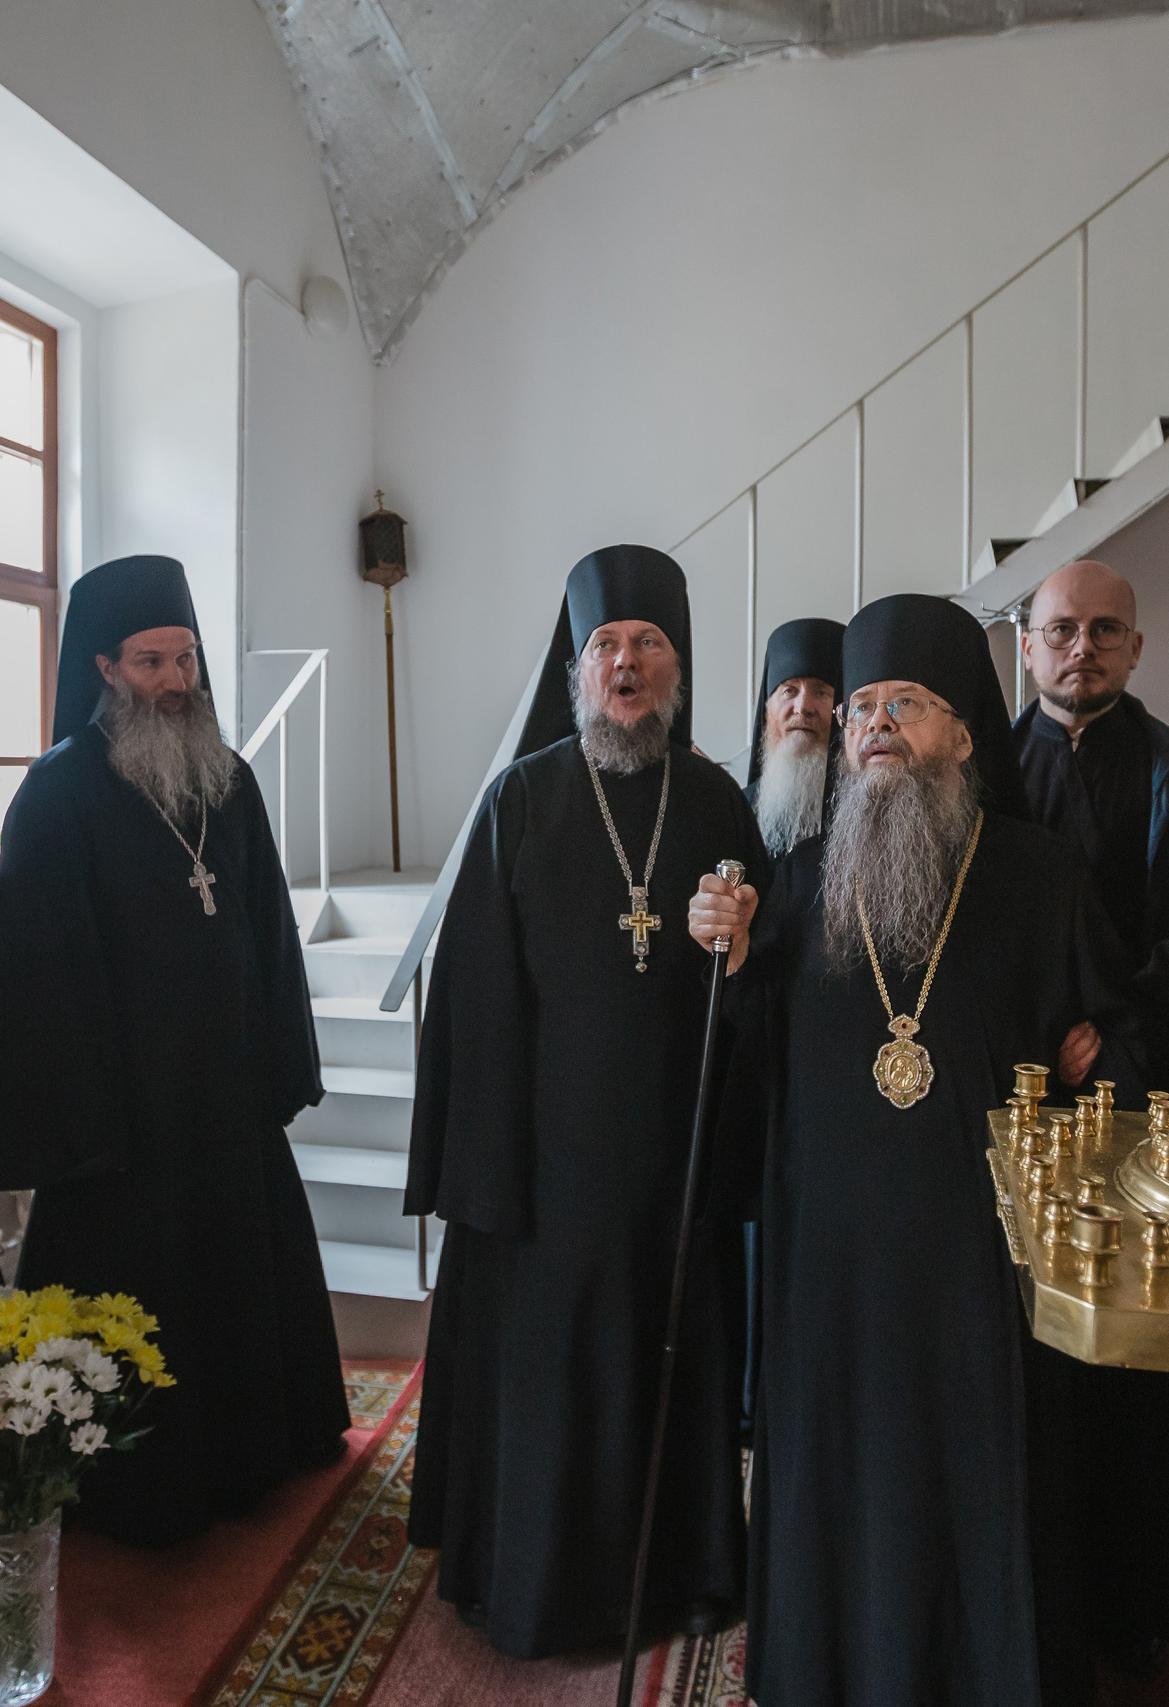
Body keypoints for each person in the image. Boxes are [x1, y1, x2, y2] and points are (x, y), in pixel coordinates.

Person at [692, 593, 1169, 1707]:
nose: (871, 724)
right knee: (842, 1476)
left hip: (986, 1272)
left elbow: (1119, 1041)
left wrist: (1094, 1056)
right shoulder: (802, 877)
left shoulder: (1039, 873)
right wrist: (728, 972)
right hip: (830, 1269)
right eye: (863, 705)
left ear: (964, 731)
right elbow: (748, 1067)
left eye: (903, 705)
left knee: (984, 1474)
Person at [405, 545, 767, 1658]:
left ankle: (681, 1574)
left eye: (647, 644)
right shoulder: (522, 799)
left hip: (673, 1157)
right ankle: (542, 1584)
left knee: (673, 1359)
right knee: (553, 1383)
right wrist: (486, 1173)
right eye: (606, 644)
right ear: (577, 666)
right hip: (547, 1170)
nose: (626, 662)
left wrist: (746, 946)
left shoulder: (714, 799)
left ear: (677, 665)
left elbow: (763, 978)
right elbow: (470, 997)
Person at [0, 554, 348, 1548]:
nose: (176, 681)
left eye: (184, 658)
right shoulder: (56, 799)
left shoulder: (230, 780)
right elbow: (41, 979)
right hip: (126, 1131)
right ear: (102, 667)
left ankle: (260, 1453)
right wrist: (85, 1125)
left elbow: (266, 933)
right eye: (150, 662)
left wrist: (275, 1064)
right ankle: (142, 1492)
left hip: (225, 1110)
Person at [1011, 559, 1169, 1094]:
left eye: (1105, 630)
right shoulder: (983, 775)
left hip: (1158, 1062)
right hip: (1019, 1059)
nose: (1082, 647)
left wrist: (1121, 1029)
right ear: (1028, 649)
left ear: (1134, 648)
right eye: (1062, 629)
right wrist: (1041, 1037)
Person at [745, 617, 844, 856]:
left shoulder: (865, 812)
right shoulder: (738, 808)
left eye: (821, 692)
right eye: (789, 690)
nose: (802, 707)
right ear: (768, 711)